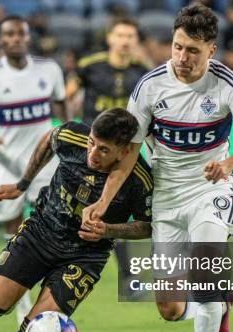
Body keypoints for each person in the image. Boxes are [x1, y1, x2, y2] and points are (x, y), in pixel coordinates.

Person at [82, 4, 233, 332]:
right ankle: (219, 303)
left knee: (204, 270)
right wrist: (103, 201)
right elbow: (129, 154)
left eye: (193, 51)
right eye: (178, 47)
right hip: (165, 196)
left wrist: (228, 164)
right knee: (168, 307)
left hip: (209, 191)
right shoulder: (149, 86)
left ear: (211, 51)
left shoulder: (230, 85)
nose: (182, 58)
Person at [0, 108, 153, 332]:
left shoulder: (140, 179)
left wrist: (109, 231)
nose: (92, 153)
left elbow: (147, 226)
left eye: (103, 149)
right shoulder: (72, 135)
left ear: (124, 151)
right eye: (91, 143)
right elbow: (48, 140)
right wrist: (22, 185)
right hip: (41, 232)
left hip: (85, 257)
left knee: (37, 330)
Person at [0, 15, 68, 325]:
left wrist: (69, 131)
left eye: (21, 32)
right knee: (13, 232)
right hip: (8, 163)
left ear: (28, 37)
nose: (16, 38)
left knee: (51, 223)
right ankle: (21, 299)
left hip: (46, 162)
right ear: (2, 41)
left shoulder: (49, 69)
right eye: (10, 34)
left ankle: (50, 289)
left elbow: (62, 106)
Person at [66, 17, 148, 295]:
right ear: (110, 38)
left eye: (131, 36)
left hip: (125, 156)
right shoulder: (90, 66)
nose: (125, 40)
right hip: (91, 155)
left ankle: (127, 279)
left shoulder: (143, 72)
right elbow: (65, 97)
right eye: (121, 34)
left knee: (117, 216)